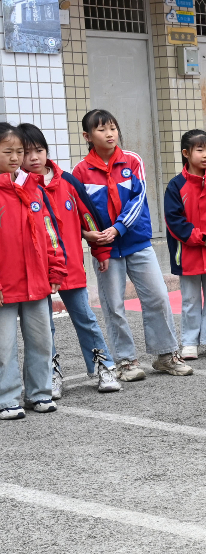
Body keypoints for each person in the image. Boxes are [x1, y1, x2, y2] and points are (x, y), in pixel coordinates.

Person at [73, 109, 190, 380]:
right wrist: (93, 239)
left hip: (137, 241)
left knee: (158, 296)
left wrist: (118, 228)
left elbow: (138, 199)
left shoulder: (132, 160)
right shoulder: (80, 171)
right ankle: (126, 361)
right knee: (113, 304)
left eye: (113, 127)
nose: (110, 133)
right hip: (106, 248)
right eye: (102, 129)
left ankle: (166, 355)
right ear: (87, 136)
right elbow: (82, 212)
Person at [18, 124, 120, 396]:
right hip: (37, 273)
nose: (34, 158)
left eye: (39, 150)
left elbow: (89, 216)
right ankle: (50, 374)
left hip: (71, 267)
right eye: (27, 153)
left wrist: (100, 250)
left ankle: (103, 367)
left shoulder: (67, 181)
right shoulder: (20, 188)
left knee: (86, 319)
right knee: (43, 327)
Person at [0, 123, 66, 418]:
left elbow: (50, 233)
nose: (16, 158)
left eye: (19, 152)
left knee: (42, 341)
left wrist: (55, 271)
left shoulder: (33, 188)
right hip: (5, 285)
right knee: (4, 347)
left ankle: (39, 394)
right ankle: (7, 399)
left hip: (37, 282)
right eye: (7, 152)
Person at [164, 130, 206, 362]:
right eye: (200, 150)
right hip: (189, 253)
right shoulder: (175, 185)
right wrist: (201, 238)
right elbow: (174, 220)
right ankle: (190, 341)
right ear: (185, 153)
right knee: (190, 299)